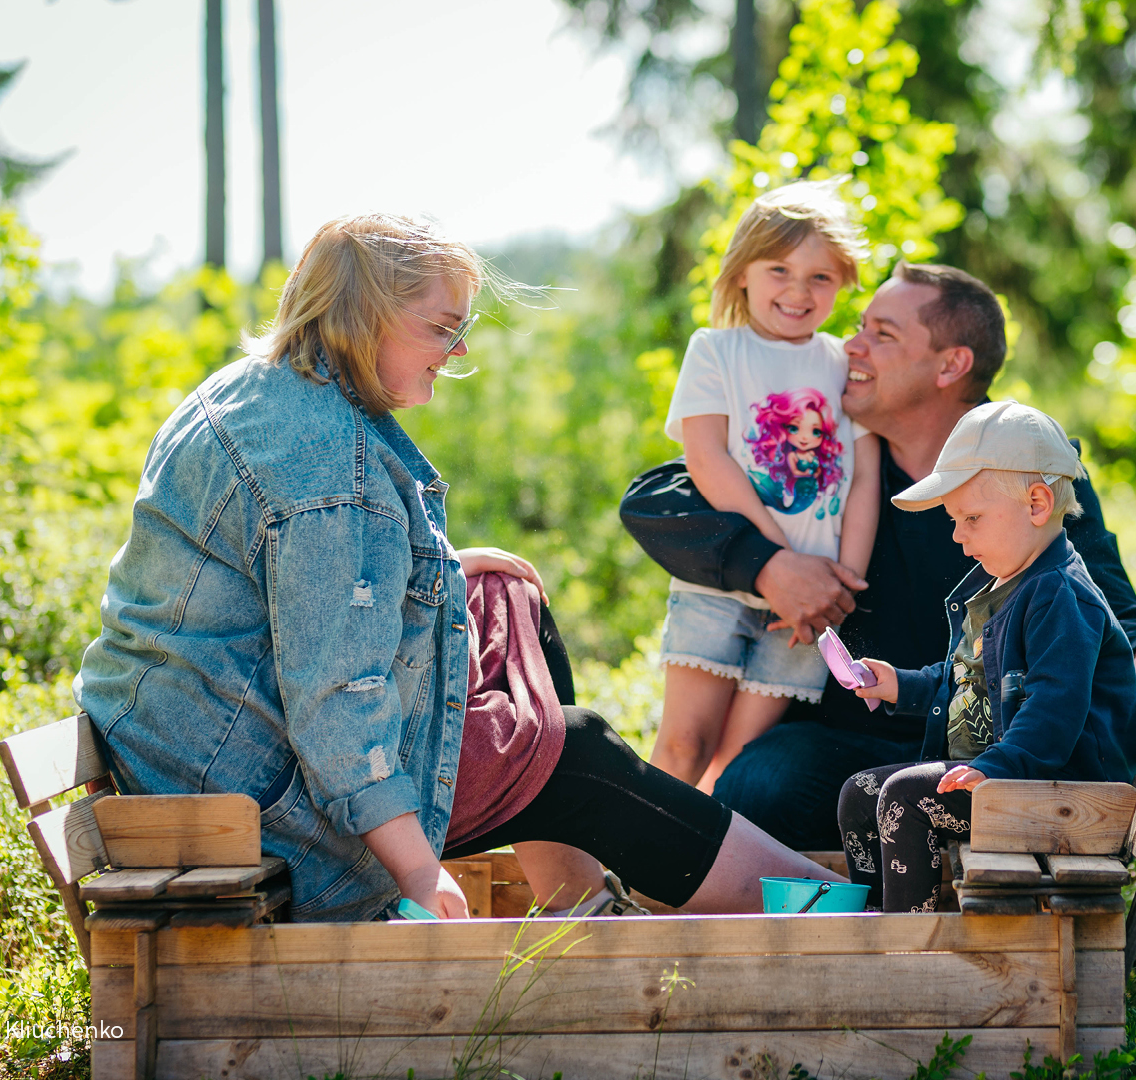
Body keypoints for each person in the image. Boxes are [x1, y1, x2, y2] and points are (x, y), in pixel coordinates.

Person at [74, 213, 839, 924]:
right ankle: (836, 915)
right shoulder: (328, 469)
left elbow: (290, 589)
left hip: (208, 735)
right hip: (254, 791)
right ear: (361, 319)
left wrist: (446, 568)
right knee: (579, 756)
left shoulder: (260, 388)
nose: (460, 349)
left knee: (509, 597)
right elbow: (337, 698)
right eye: (442, 328)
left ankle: (588, 919)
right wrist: (415, 870)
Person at [621, 262, 1136, 851]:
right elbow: (655, 498)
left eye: (881, 335)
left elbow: (1108, 601)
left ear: (951, 365)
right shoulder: (830, 462)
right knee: (757, 783)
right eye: (858, 326)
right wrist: (768, 564)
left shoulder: (1026, 464)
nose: (850, 346)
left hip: (992, 744)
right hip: (854, 732)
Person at [836, 401, 1136, 912]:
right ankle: (873, 921)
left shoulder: (1059, 595)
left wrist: (997, 766)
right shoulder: (1006, 584)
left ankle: (909, 949)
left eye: (971, 518)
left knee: (905, 798)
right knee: (860, 792)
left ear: (1037, 504)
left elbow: (1054, 709)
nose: (957, 536)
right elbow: (969, 680)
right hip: (1019, 778)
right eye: (955, 520)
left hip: (1066, 799)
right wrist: (899, 684)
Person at [649, 180, 881, 794]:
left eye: (821, 277)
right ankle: (638, 877)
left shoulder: (843, 364)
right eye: (779, 269)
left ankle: (699, 883)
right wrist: (780, 559)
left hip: (811, 610)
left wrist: (839, 583)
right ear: (743, 271)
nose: (799, 291)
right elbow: (706, 459)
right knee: (682, 745)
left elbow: (863, 480)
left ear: (844, 282)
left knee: (737, 761)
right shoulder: (716, 352)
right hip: (718, 589)